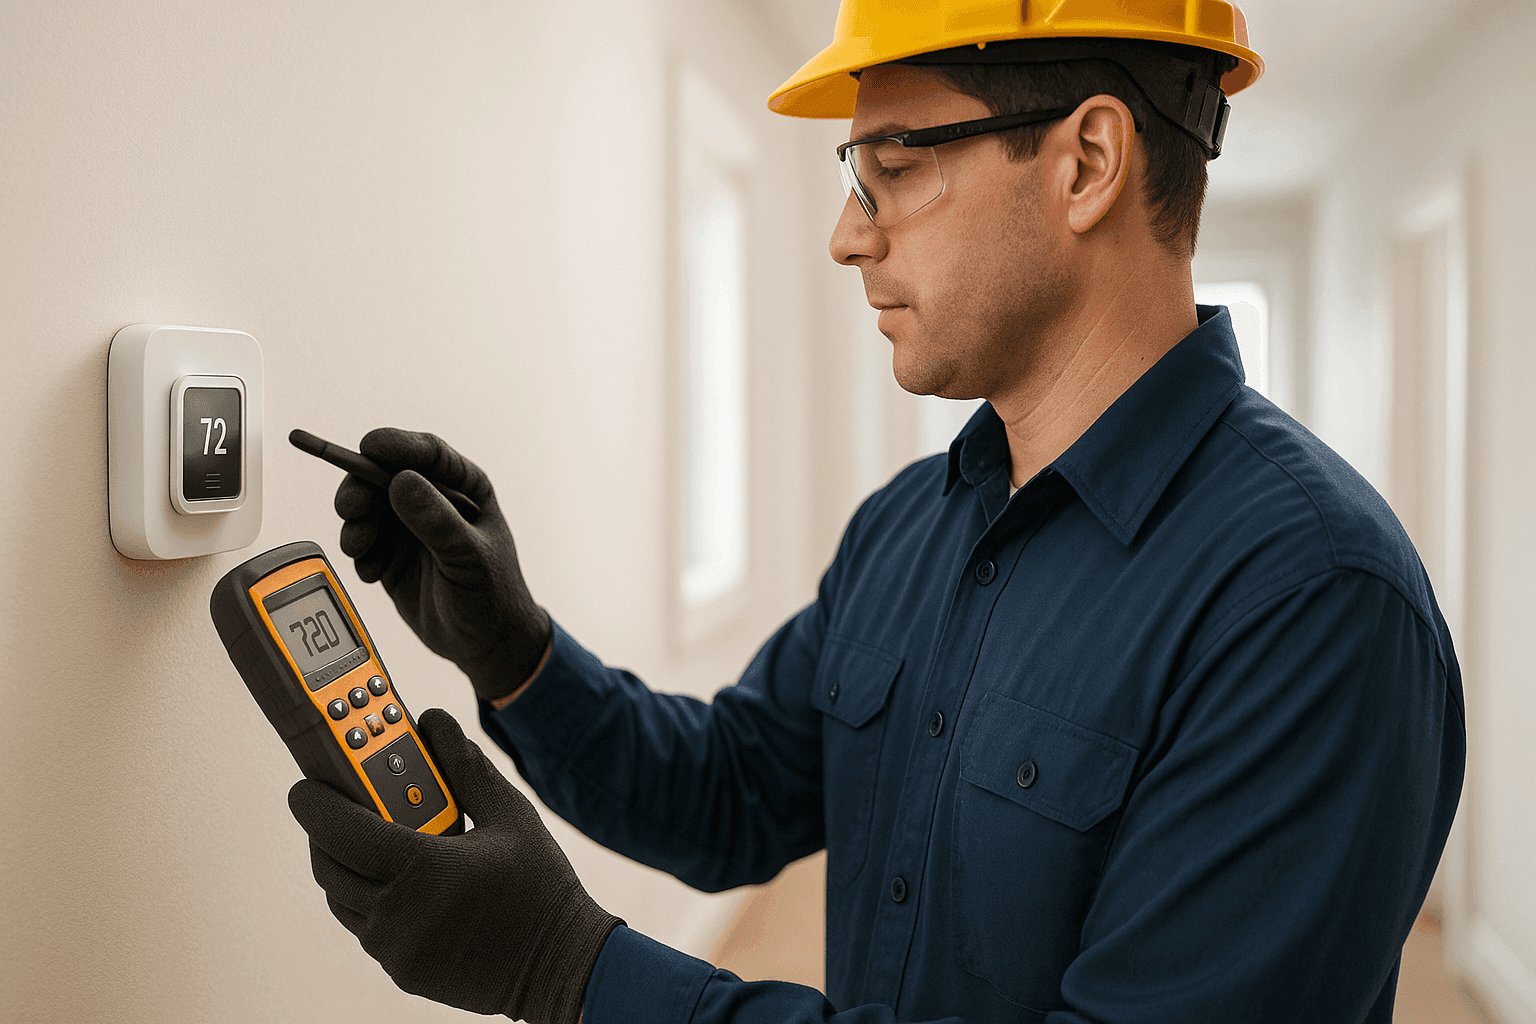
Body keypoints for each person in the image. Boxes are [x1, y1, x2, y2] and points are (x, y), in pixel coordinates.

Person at [286, 2, 1466, 1022]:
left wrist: (566, 966)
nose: (849, 235)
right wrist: (517, 652)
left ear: (1088, 163)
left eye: (896, 166)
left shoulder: (1312, 604)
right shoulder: (914, 524)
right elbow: (733, 789)